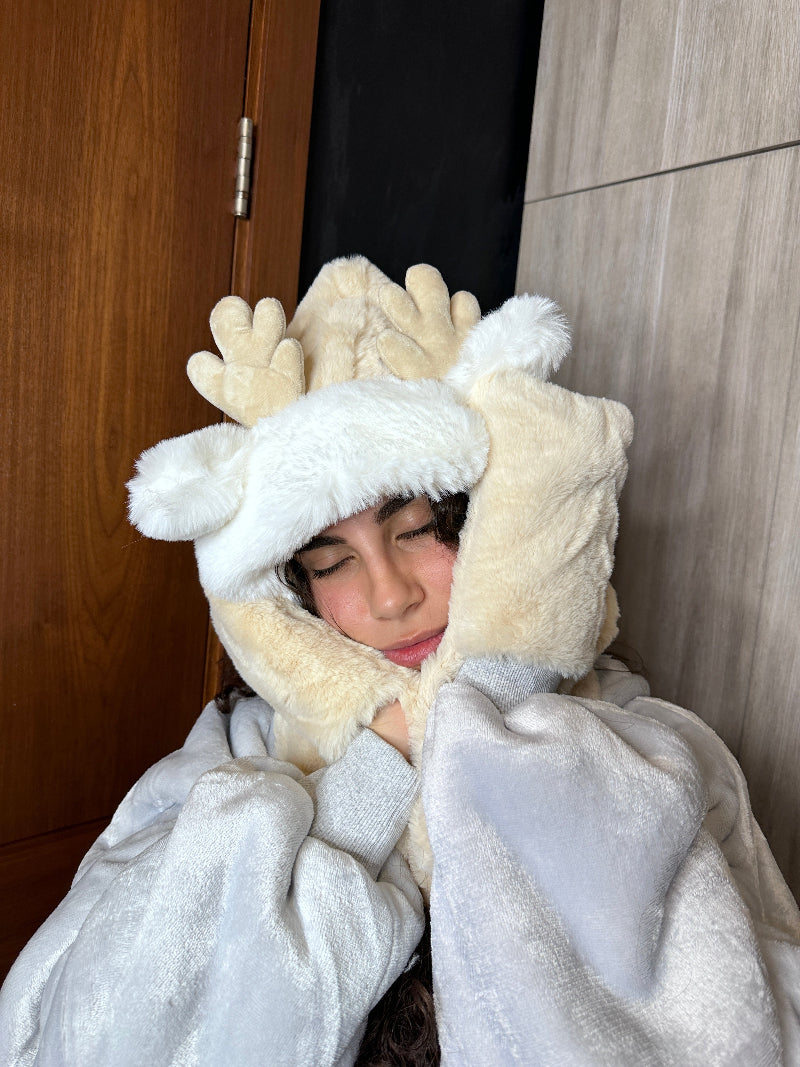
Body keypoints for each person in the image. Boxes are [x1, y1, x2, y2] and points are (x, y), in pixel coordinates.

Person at [2, 257, 799, 1066]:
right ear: (292, 592)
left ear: (489, 516)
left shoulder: (640, 741)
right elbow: (96, 1024)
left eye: (417, 527)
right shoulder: (232, 757)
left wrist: (494, 692)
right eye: (331, 561)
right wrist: (376, 768)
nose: (390, 595)